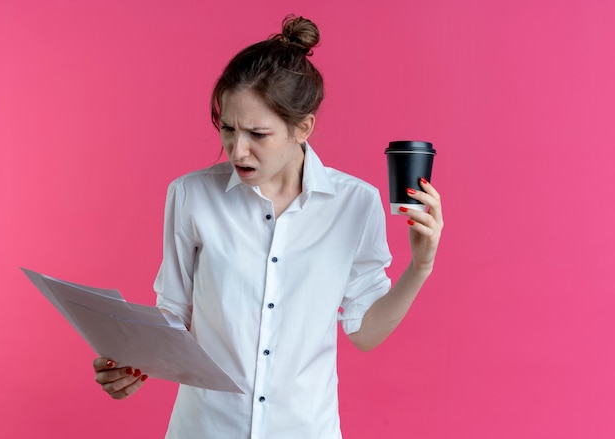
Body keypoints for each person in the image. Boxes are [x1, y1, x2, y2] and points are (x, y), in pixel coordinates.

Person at [93, 15, 443, 438]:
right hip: (204, 429)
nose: (237, 149)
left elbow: (365, 332)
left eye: (258, 133)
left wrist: (420, 266)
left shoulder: (356, 204)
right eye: (227, 128)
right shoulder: (190, 196)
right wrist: (132, 362)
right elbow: (174, 315)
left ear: (303, 128)